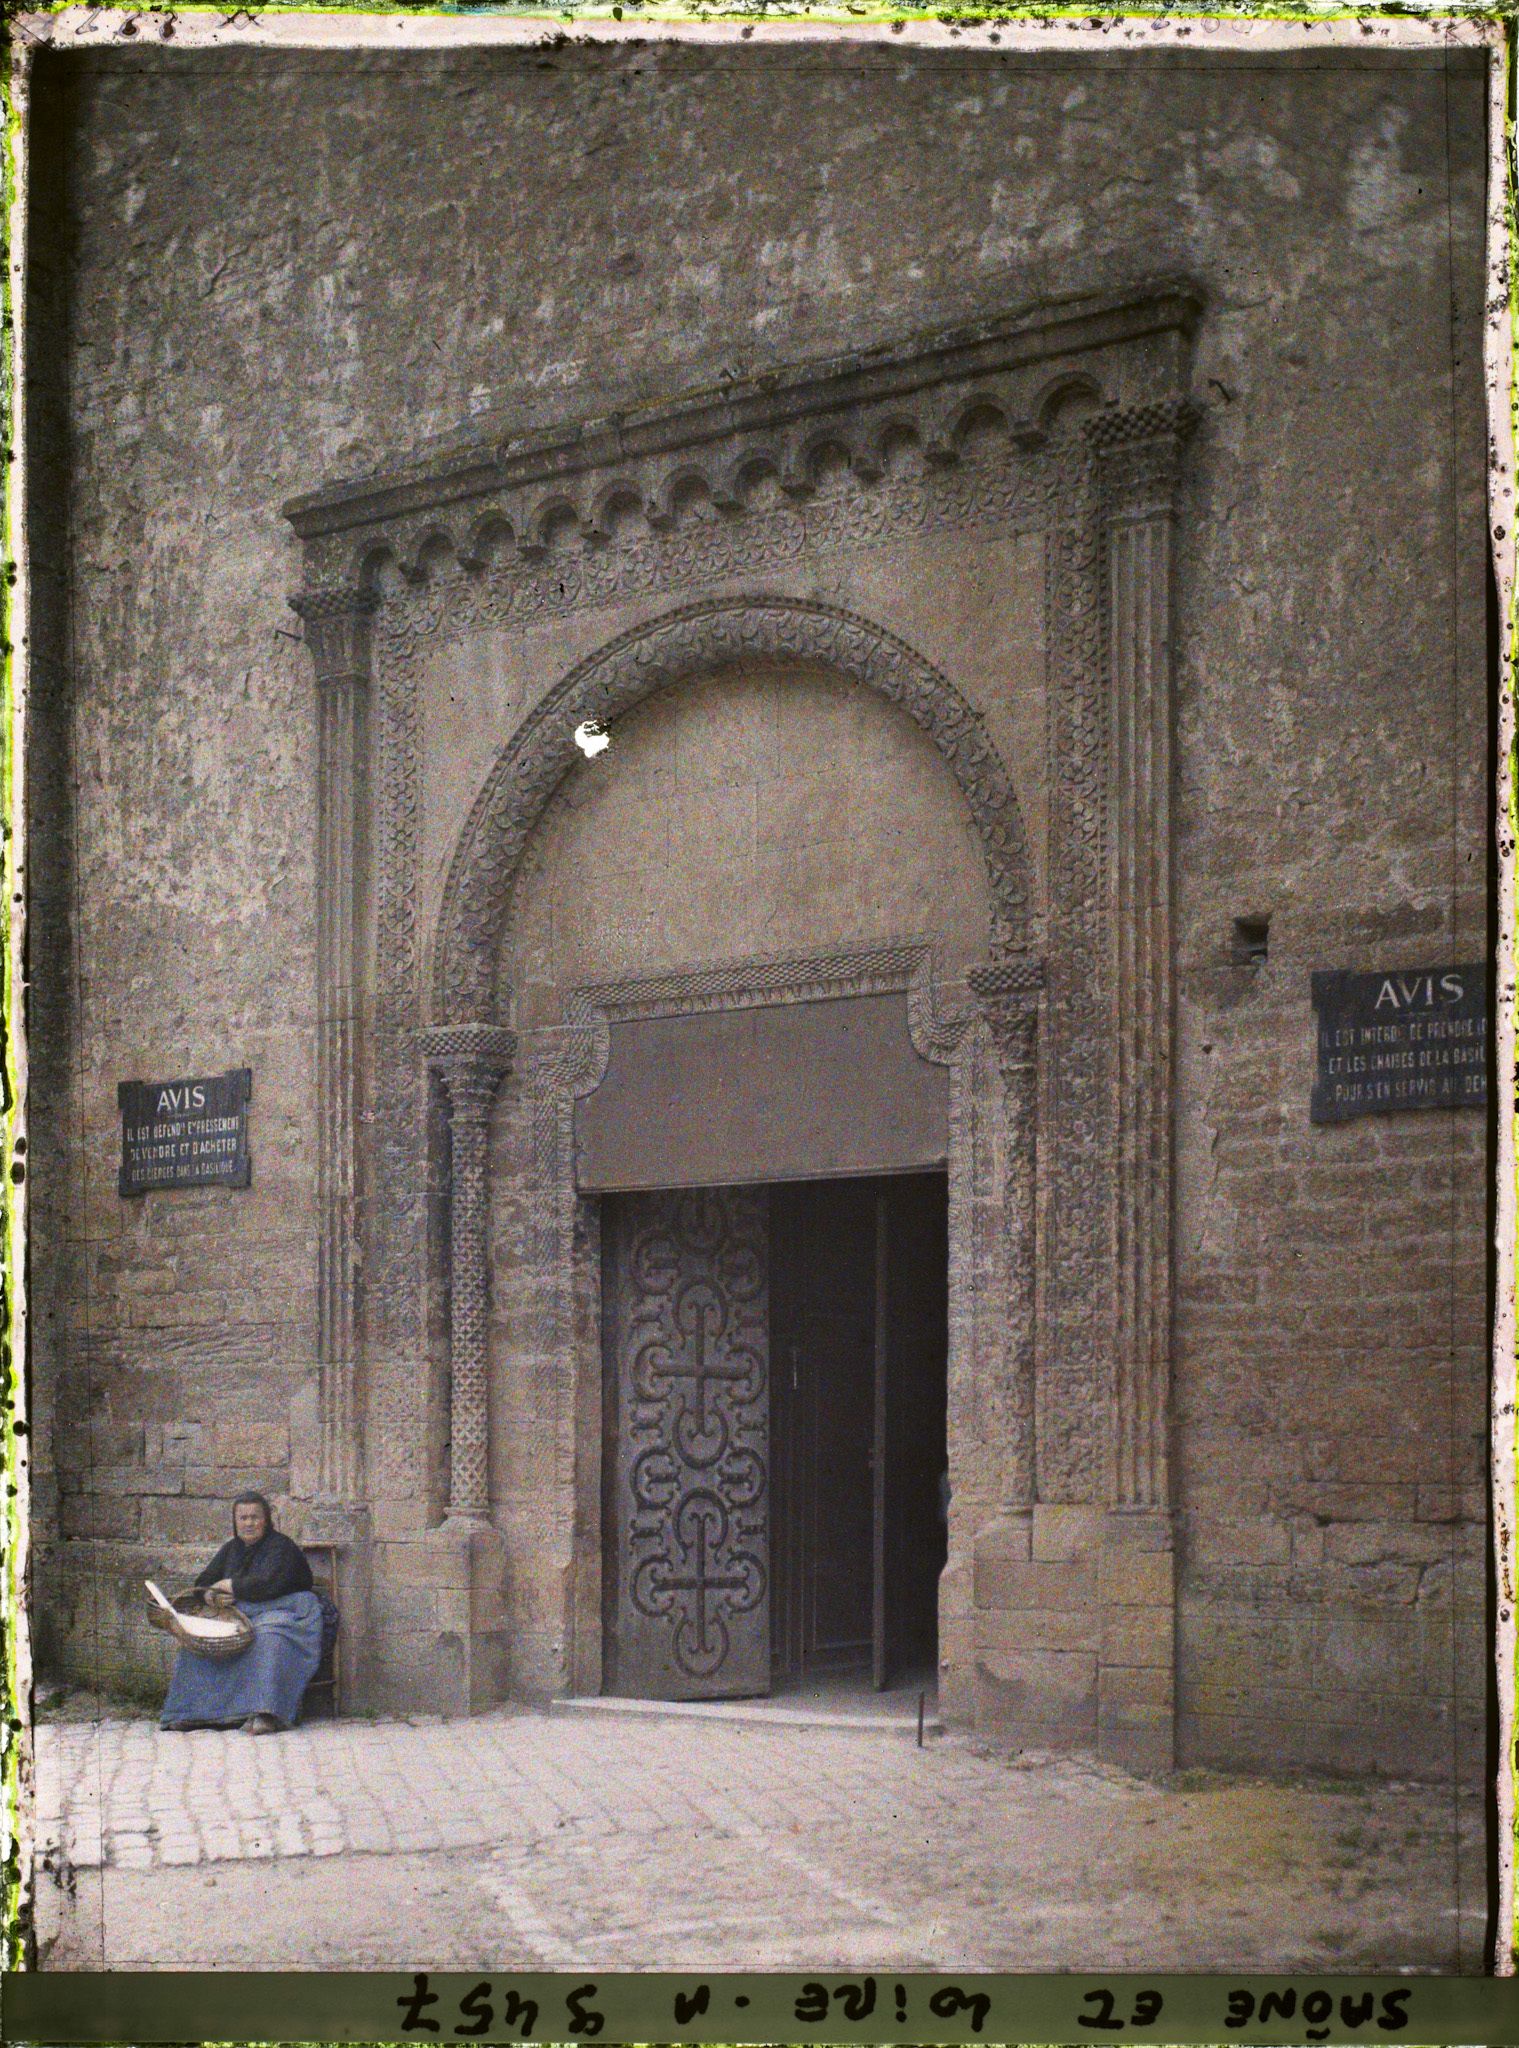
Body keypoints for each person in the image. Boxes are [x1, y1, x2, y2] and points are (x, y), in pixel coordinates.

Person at [159, 1492, 323, 1735]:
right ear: (235, 1522)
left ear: (266, 1520)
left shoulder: (282, 1547)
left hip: (286, 1611)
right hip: (240, 1613)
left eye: (255, 1517)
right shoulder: (231, 1549)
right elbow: (204, 1581)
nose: (249, 1523)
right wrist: (210, 1596)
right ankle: (193, 1713)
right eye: (243, 1518)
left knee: (268, 1640)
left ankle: (265, 1713)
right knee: (197, 1643)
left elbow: (270, 1584)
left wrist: (232, 1586)